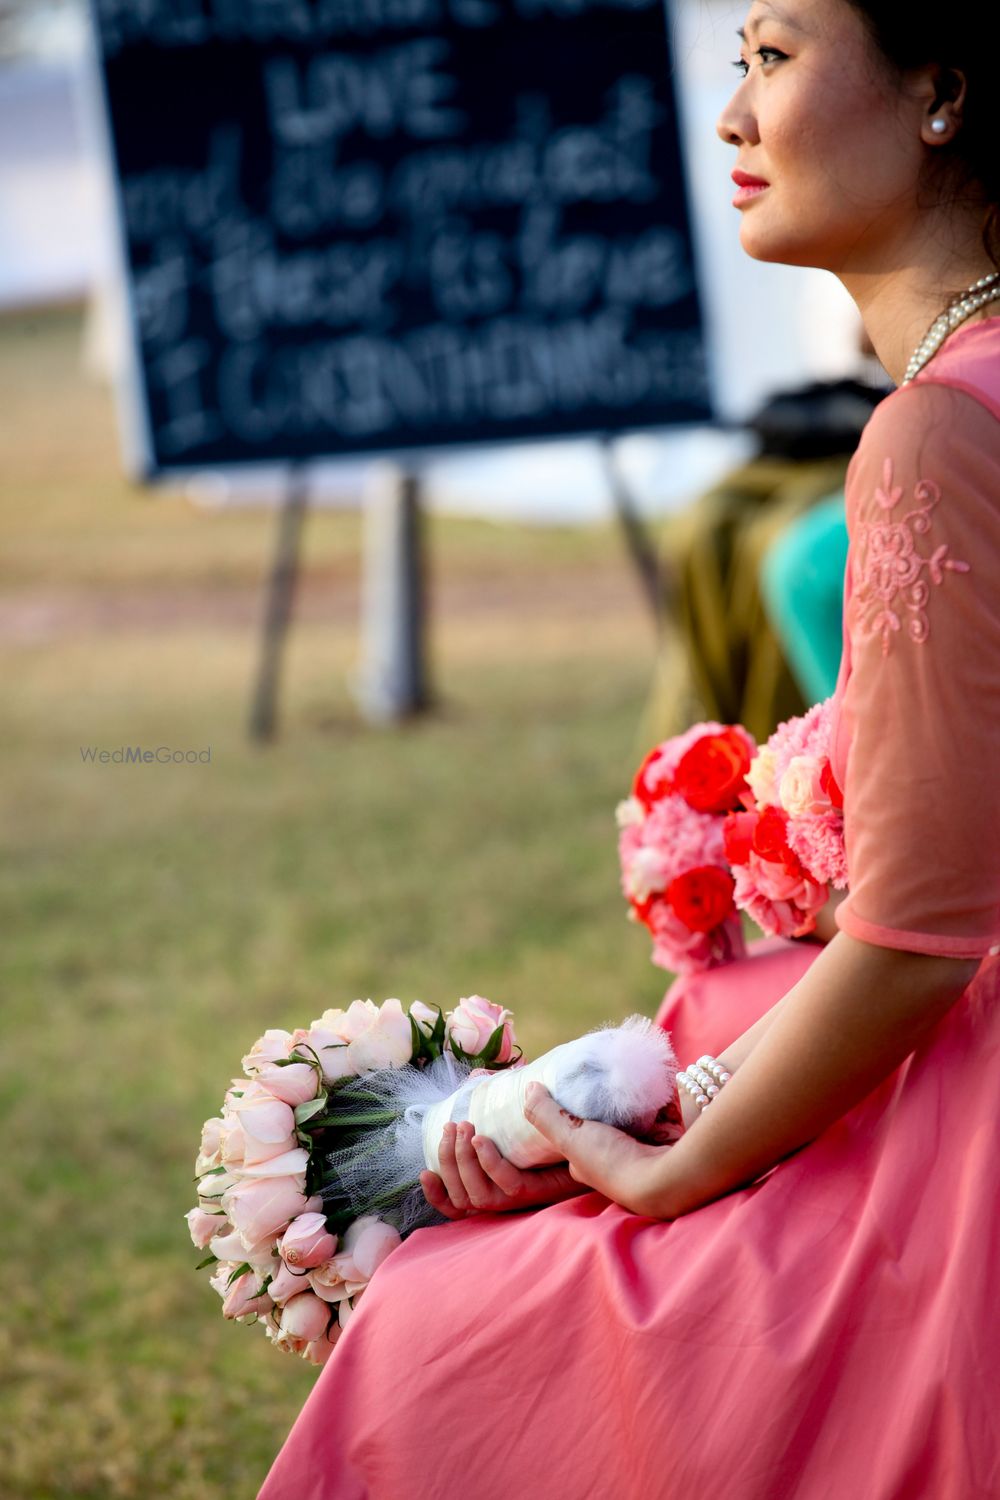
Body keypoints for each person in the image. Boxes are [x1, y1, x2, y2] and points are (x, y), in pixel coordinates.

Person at [258, 4, 1000, 1494]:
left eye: (776, 58)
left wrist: (672, 1166)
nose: (731, 117)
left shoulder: (938, 434)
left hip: (960, 1175)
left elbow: (928, 938)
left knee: (442, 1329)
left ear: (942, 94)